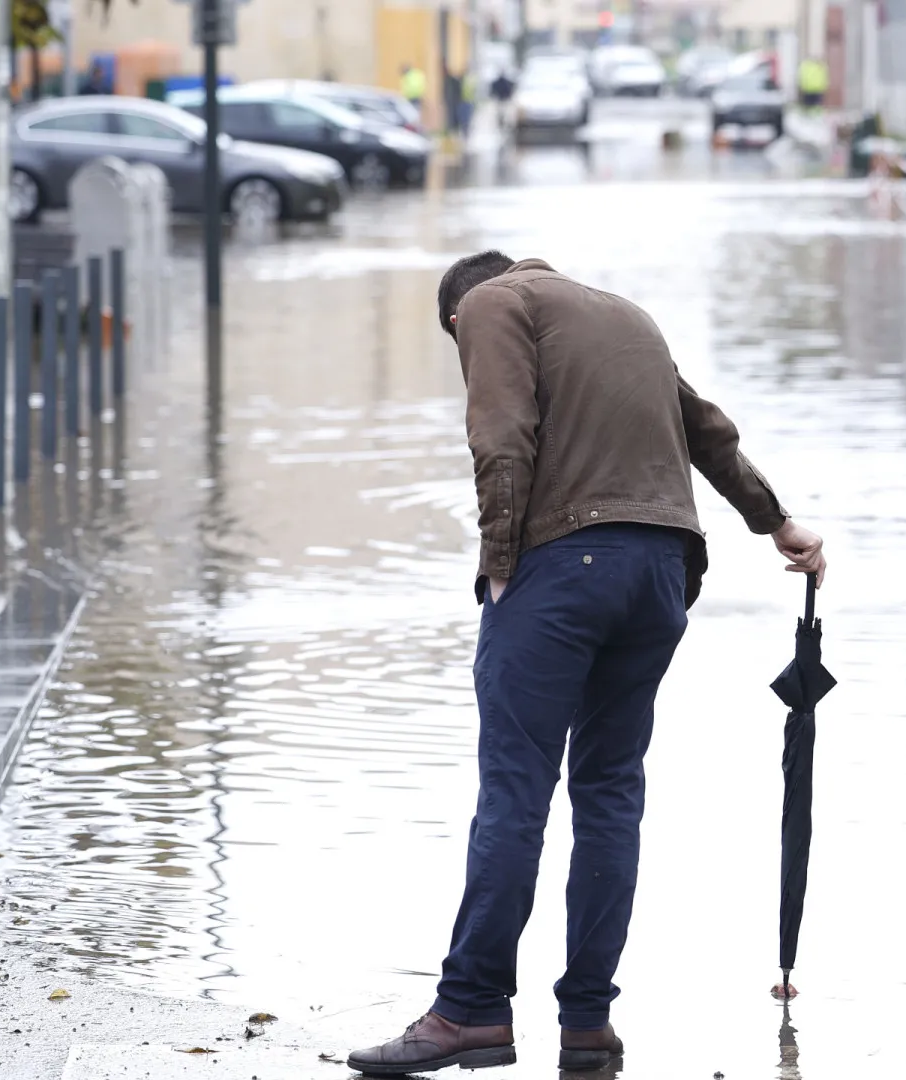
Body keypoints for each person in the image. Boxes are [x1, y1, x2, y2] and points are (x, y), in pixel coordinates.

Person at [346, 252, 828, 1076]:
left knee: (516, 788)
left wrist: (500, 562)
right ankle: (587, 1023)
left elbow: (500, 433)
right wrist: (777, 522)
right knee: (609, 791)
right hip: (662, 574)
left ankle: (469, 1013)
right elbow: (706, 429)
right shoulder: (624, 313)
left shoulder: (491, 305)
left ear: (459, 321)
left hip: (566, 567)